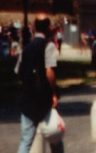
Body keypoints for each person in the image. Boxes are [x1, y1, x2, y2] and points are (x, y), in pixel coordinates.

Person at [16, 15, 63, 153]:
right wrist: (54, 93)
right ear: (48, 28)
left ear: (34, 27)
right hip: (44, 99)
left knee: (26, 141)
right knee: (55, 137)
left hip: (28, 99)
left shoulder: (26, 48)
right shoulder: (49, 46)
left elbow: (18, 71)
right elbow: (49, 72)